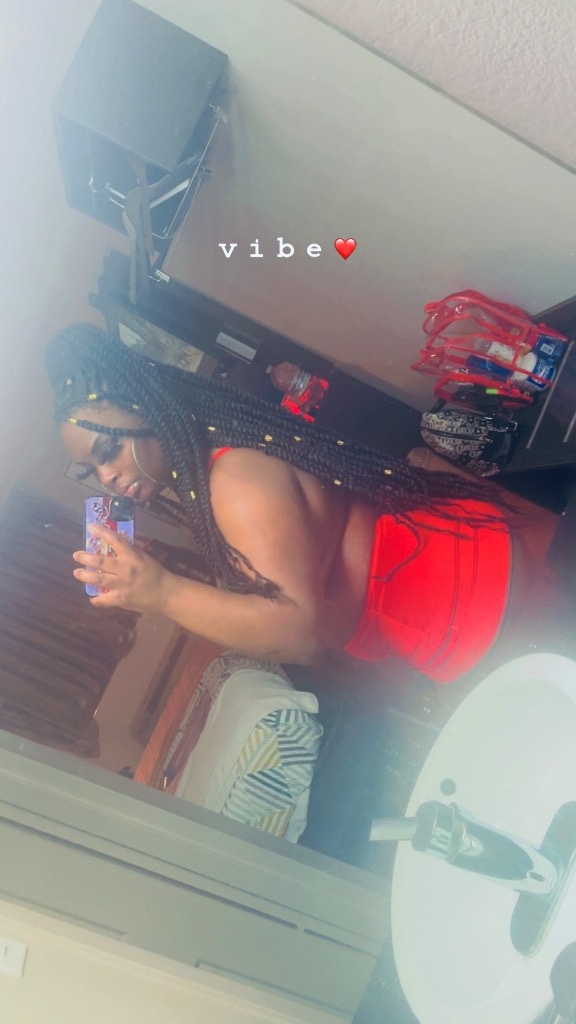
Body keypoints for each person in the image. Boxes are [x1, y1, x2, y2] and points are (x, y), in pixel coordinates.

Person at [45, 323, 539, 684]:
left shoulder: (233, 481)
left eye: (107, 450)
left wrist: (161, 592)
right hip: (457, 582)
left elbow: (300, 633)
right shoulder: (213, 465)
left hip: (462, 602)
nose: (107, 477)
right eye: (92, 470)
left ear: (146, 409)